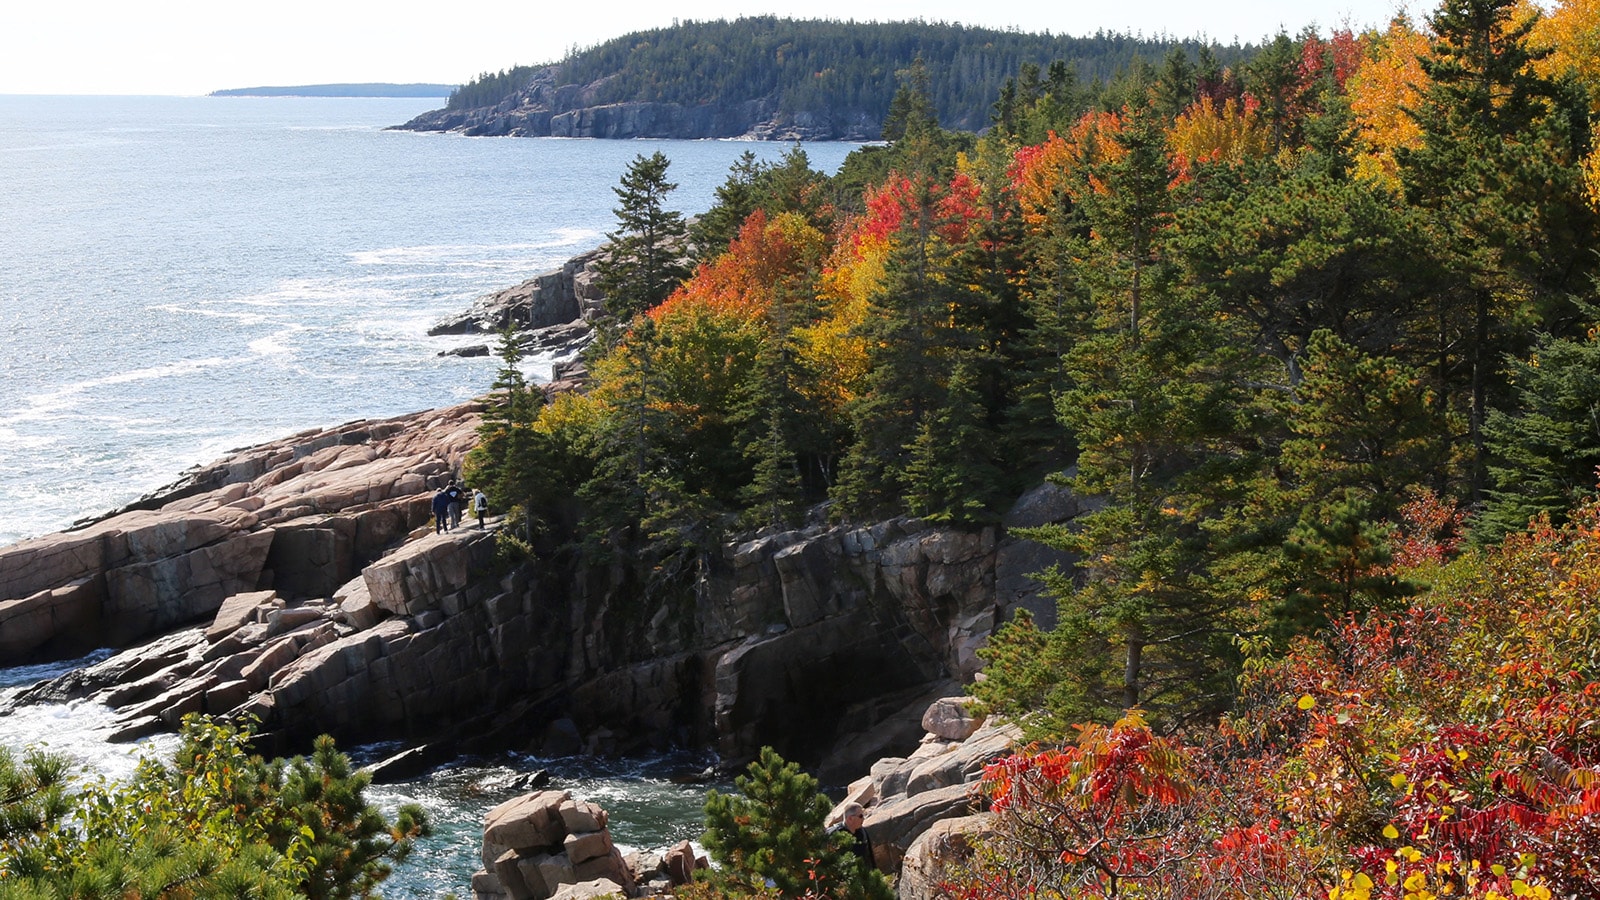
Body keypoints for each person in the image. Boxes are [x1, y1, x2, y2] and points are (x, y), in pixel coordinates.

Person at [827, 802, 874, 868]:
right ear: (850, 818)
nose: (863, 818)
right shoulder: (835, 834)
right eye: (860, 816)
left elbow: (869, 857)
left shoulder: (862, 832)